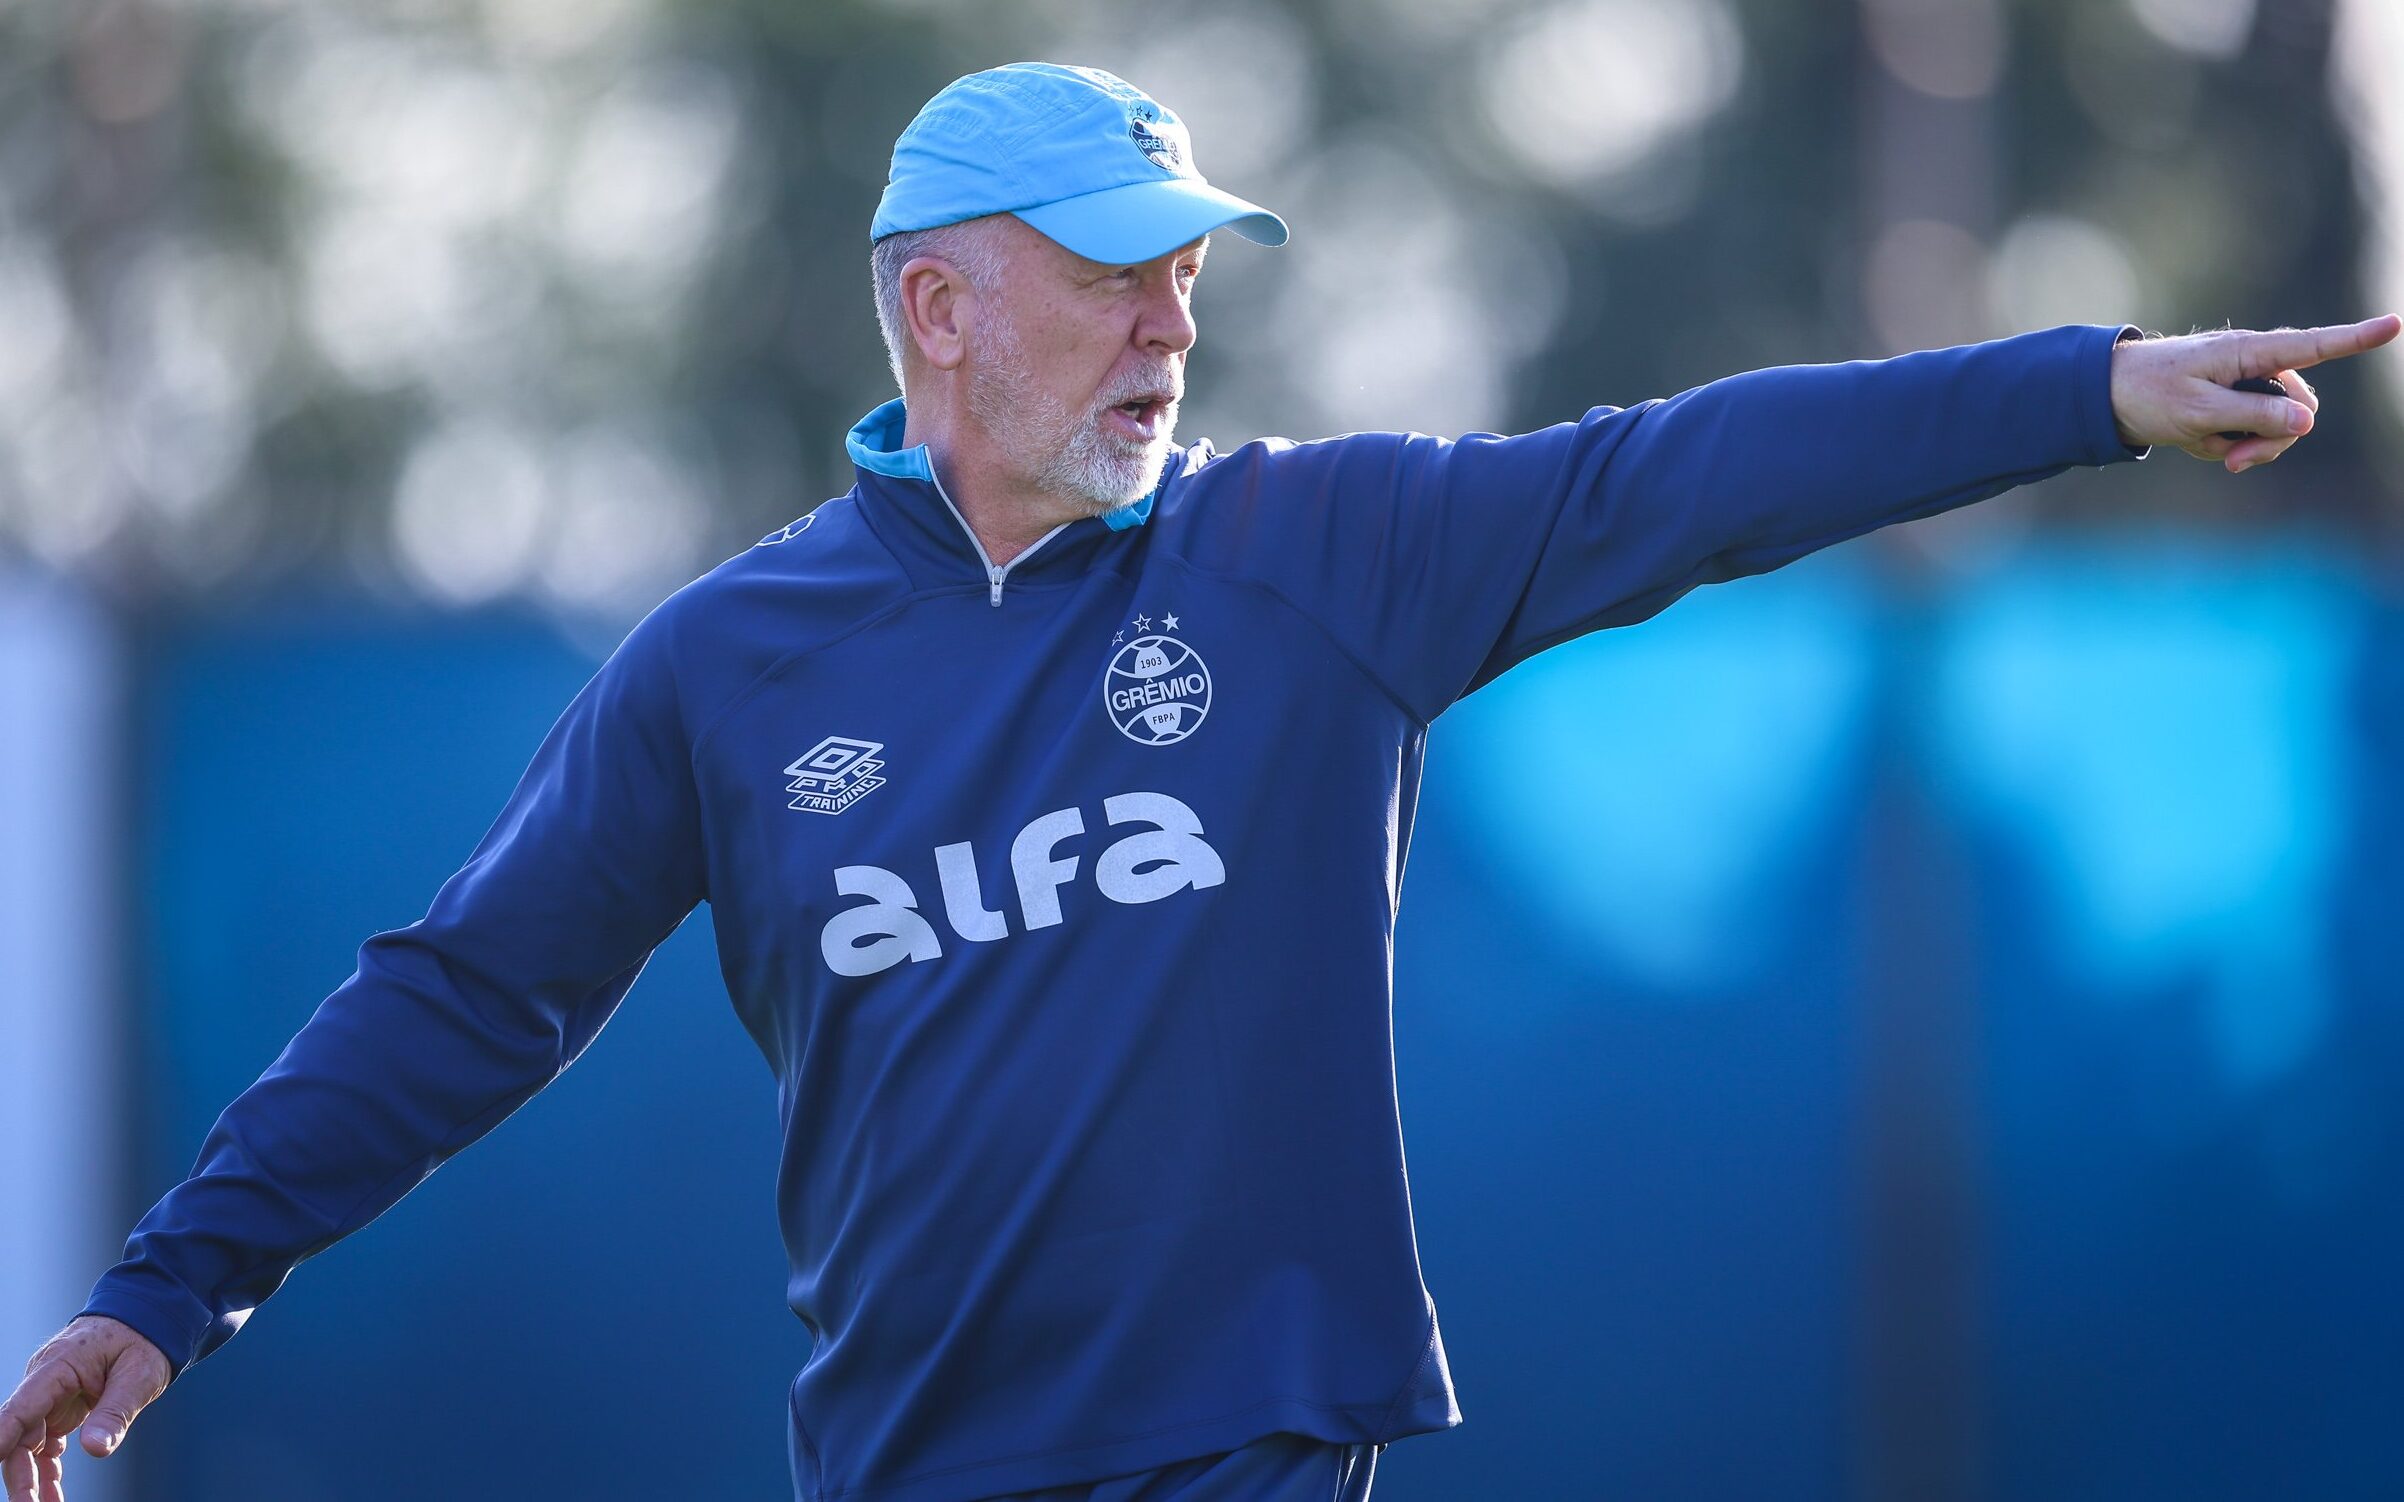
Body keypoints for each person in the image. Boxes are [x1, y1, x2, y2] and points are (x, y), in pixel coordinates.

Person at [4, 58, 2397, 1502]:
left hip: (1249, 1449)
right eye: (1110, 266)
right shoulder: (721, 672)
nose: (1168, 317)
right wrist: (174, 1284)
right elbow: (465, 992)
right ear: (936, 307)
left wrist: (2084, 381)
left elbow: (1690, 469)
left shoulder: (1312, 552)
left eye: (1187, 269)